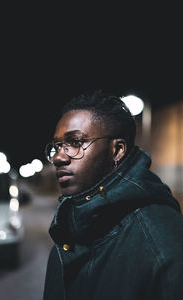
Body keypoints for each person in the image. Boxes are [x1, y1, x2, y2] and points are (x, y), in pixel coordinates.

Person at [43, 90, 183, 300]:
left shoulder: (162, 245)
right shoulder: (71, 228)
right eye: (57, 146)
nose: (59, 157)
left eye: (75, 142)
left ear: (117, 150)